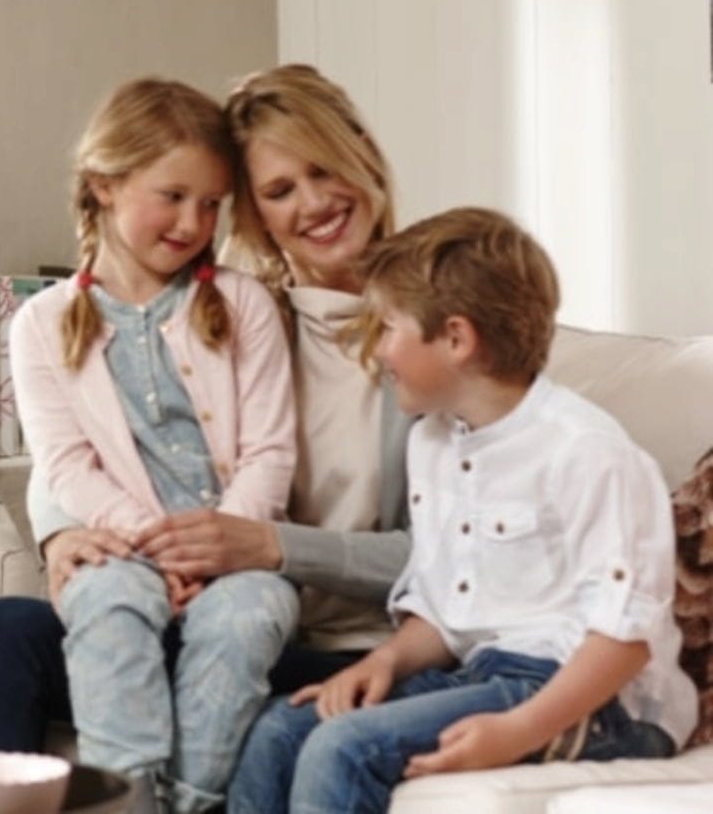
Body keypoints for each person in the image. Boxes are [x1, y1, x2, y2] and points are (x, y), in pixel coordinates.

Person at [0, 63, 412, 774]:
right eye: (279, 190)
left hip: (350, 648)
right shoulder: (241, 313)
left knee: (226, 634)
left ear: (363, 156)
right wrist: (62, 535)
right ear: (254, 214)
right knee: (9, 628)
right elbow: (81, 449)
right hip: (192, 600)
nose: (314, 203)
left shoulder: (430, 337)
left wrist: (267, 546)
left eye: (324, 169)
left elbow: (461, 561)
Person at [226, 207, 697, 813]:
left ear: (456, 339)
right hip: (483, 675)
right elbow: (447, 608)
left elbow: (624, 640)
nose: (377, 351)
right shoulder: (432, 442)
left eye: (387, 328)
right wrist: (385, 661)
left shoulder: (587, 451)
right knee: (278, 731)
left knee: (344, 747)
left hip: (603, 700)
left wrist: (518, 730)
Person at [8, 77, 301, 812]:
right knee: (107, 609)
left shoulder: (243, 304)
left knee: (248, 619)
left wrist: (217, 545)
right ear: (104, 185)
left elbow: (270, 452)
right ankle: (125, 800)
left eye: (211, 204)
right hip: (119, 547)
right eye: (172, 196)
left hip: (235, 557)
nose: (192, 222)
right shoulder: (41, 324)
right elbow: (66, 465)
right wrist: (156, 548)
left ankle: (186, 806)